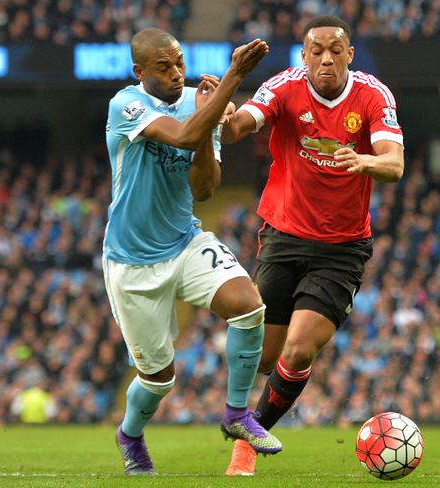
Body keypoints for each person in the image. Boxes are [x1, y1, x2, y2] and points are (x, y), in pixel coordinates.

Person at [221, 16, 405, 476]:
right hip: (283, 236)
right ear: (304, 56)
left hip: (341, 247)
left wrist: (363, 159)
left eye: (335, 50)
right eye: (316, 50)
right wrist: (226, 115)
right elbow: (241, 125)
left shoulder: (372, 95)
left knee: (299, 351)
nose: (326, 58)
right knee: (266, 358)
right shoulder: (284, 86)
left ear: (350, 54)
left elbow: (395, 164)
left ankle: (249, 436)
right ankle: (249, 417)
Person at [102, 28, 282, 475]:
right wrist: (232, 80)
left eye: (179, 62)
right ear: (139, 71)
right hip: (132, 261)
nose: (176, 73)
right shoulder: (126, 105)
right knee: (158, 381)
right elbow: (181, 137)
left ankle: (237, 415)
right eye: (163, 67)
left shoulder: (199, 106)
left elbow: (204, 189)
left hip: (186, 241)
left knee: (247, 304)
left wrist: (211, 116)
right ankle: (130, 434)